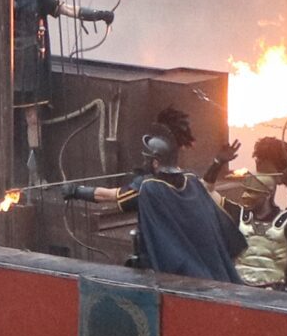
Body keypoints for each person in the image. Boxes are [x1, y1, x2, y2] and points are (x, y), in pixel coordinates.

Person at [67, 110, 243, 283]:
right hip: (206, 268)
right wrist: (217, 163)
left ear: (156, 162)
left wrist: (76, 191)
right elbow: (206, 187)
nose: (144, 162)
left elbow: (108, 196)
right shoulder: (190, 180)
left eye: (147, 158)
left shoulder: (150, 187)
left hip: (174, 270)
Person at [12, 0, 113, 183]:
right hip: (5, 64)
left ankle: (36, 174)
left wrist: (96, 14)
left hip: (30, 63)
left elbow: (64, 8)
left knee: (32, 117)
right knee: (0, 116)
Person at [210, 136, 287, 292]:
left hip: (272, 293)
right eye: (247, 190)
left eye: (253, 192)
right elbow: (206, 190)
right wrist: (217, 163)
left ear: (267, 194)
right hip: (239, 290)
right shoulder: (238, 213)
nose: (246, 195)